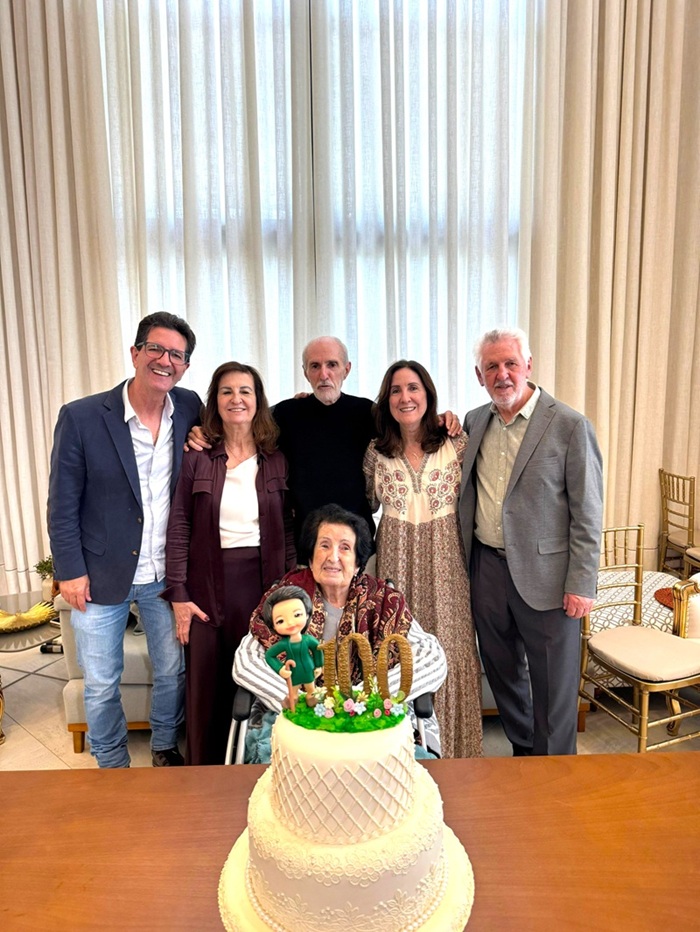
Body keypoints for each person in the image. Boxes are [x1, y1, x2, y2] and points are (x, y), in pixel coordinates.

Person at [47, 312, 201, 768]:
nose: (165, 360)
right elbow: (62, 503)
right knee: (99, 682)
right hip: (98, 574)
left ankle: (164, 746)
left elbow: (242, 418)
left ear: (185, 366)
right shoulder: (82, 417)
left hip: (165, 575)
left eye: (176, 355)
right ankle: (112, 763)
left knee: (172, 670)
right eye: (156, 349)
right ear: (135, 353)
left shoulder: (190, 407)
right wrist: (69, 571)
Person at [458, 327, 603, 756]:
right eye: (491, 366)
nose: (502, 374)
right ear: (479, 375)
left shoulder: (570, 426)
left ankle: (555, 768)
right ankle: (524, 753)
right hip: (487, 568)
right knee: (502, 671)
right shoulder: (473, 422)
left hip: (550, 577)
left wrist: (582, 583)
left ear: (529, 366)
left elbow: (588, 512)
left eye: (510, 364)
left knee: (554, 684)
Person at [189, 336, 460, 544]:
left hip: (358, 546)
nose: (324, 374)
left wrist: (440, 419)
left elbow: (408, 419)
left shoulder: (368, 413)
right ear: (305, 372)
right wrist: (203, 431)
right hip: (304, 547)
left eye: (332, 365)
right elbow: (242, 421)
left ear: (347, 369)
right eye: (315, 366)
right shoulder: (286, 414)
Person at [233, 503, 448, 755]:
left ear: (357, 564)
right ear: (310, 558)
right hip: (299, 717)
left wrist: (368, 696)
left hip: (369, 717)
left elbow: (432, 657)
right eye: (324, 545)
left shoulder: (382, 601)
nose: (333, 557)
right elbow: (246, 660)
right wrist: (300, 702)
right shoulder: (286, 599)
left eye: (345, 548)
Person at [161, 362, 295, 765]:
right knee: (207, 686)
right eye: (227, 391)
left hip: (264, 586)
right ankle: (203, 772)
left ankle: (257, 766)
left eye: (245, 391)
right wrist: (179, 594)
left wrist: (291, 591)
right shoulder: (197, 458)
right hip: (206, 586)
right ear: (215, 401)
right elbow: (179, 525)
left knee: (261, 681)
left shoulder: (276, 459)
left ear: (258, 401)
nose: (236, 399)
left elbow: (288, 530)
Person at [363, 360, 482, 759]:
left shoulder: (455, 443)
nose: (405, 397)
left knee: (451, 647)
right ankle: (405, 752)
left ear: (427, 394)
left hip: (447, 558)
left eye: (413, 388)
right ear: (387, 400)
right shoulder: (376, 453)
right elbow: (366, 504)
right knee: (400, 650)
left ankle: (457, 751)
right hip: (397, 559)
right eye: (396, 390)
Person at [262, 585, 322, 712]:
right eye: (280, 621)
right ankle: (292, 710)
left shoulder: (308, 640)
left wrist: (318, 665)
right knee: (293, 694)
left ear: (307, 614)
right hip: (293, 673)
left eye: (297, 614)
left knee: (312, 691)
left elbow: (317, 649)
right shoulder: (283, 644)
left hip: (308, 669)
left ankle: (314, 710)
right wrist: (280, 669)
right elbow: (269, 655)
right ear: (273, 626)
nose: (290, 623)